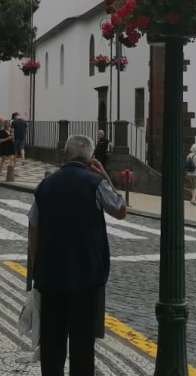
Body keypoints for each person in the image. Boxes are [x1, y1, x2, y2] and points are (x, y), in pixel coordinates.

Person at [27, 135, 127, 376]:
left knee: (52, 345)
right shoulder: (95, 183)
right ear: (90, 158)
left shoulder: (45, 186)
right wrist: (104, 175)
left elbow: (33, 230)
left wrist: (32, 275)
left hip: (50, 278)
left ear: (65, 154)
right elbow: (121, 210)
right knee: (83, 347)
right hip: (87, 279)